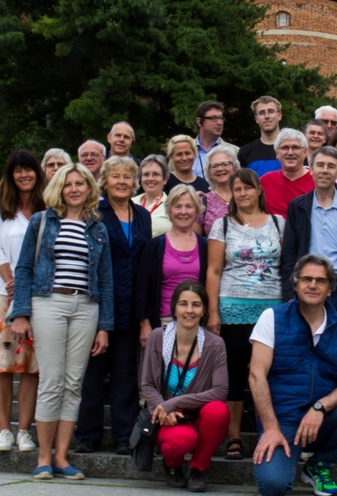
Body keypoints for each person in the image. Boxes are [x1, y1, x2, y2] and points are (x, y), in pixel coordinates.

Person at [10, 163, 113, 480]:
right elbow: (24, 268)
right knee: (52, 381)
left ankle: (63, 457)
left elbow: (106, 280)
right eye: (68, 184)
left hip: (86, 307)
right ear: (59, 188)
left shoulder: (98, 228)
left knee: (73, 383)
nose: (74, 189)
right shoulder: (42, 221)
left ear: (89, 188)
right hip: (49, 303)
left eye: (80, 183)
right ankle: (43, 457)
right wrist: (20, 313)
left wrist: (104, 326)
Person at [249, 255, 337, 496]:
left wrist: (320, 407)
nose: (312, 285)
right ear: (295, 284)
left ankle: (319, 464)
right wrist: (270, 428)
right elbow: (256, 375)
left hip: (322, 421)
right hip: (282, 421)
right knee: (274, 486)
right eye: (306, 279)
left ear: (330, 289)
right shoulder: (272, 318)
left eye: (320, 281)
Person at [205, 169, 285, 461]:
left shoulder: (278, 222)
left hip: (271, 311)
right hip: (233, 310)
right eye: (237, 189)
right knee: (235, 373)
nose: (242, 194)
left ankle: (270, 431)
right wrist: (213, 312)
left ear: (258, 190)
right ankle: (234, 437)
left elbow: (286, 266)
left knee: (270, 373)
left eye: (247, 188)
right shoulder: (222, 225)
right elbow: (214, 271)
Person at [75, 157, 151, 455]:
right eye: (115, 176)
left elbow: (144, 263)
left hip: (131, 305)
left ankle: (123, 436)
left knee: (125, 374)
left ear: (135, 183)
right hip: (97, 304)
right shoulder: (93, 213)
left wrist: (144, 315)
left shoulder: (142, 215)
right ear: (104, 182)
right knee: (93, 373)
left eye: (127, 177)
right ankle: (87, 434)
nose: (122, 182)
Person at [141, 281, 229, 492]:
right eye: (183, 304)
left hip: (199, 416)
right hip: (167, 418)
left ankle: (198, 469)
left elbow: (220, 391)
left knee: (219, 411)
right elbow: (147, 384)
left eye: (196, 305)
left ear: (204, 310)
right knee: (181, 440)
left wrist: (174, 402)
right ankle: (172, 466)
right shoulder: (158, 337)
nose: (189, 310)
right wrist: (164, 409)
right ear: (174, 308)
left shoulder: (215, 344)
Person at [0, 150, 44, 453]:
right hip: (0, 292)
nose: (24, 175)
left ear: (37, 173)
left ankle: (24, 431)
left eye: (28, 169)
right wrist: (13, 285)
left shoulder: (48, 206)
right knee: (2, 364)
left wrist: (25, 287)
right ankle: (4, 430)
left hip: (38, 293)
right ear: (10, 176)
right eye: (17, 171)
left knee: (31, 367)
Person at [281, 146, 337, 323]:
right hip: (307, 286)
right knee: (305, 338)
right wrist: (290, 294)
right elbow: (289, 254)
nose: (325, 170)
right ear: (311, 170)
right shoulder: (297, 207)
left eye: (331, 166)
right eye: (320, 165)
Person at [135, 185, 210, 346]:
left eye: (189, 206)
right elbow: (142, 288)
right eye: (178, 207)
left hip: (196, 322)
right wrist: (144, 324)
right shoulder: (155, 245)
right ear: (169, 211)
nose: (183, 212)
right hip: (163, 322)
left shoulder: (205, 246)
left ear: (197, 211)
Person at [260, 129, 314, 218]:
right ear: (277, 153)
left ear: (305, 152)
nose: (290, 152)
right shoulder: (265, 181)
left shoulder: (316, 181)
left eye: (295, 147)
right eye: (285, 148)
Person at [196, 146, 240, 237]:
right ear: (209, 173)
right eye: (214, 166)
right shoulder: (202, 202)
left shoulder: (246, 196)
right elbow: (195, 240)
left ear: (235, 167)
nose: (220, 169)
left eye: (225, 164)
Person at [193, 100, 239, 180]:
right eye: (213, 118)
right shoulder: (183, 153)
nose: (219, 123)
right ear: (199, 122)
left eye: (221, 118)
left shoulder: (235, 151)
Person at [239, 96, 283, 177]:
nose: (267, 116)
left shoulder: (294, 149)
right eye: (262, 113)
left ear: (279, 115)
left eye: (271, 111)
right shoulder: (245, 152)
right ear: (256, 119)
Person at [134, 154, 172, 238]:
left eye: (156, 174)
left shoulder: (172, 205)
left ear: (165, 179)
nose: (150, 178)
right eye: (146, 174)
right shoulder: (131, 203)